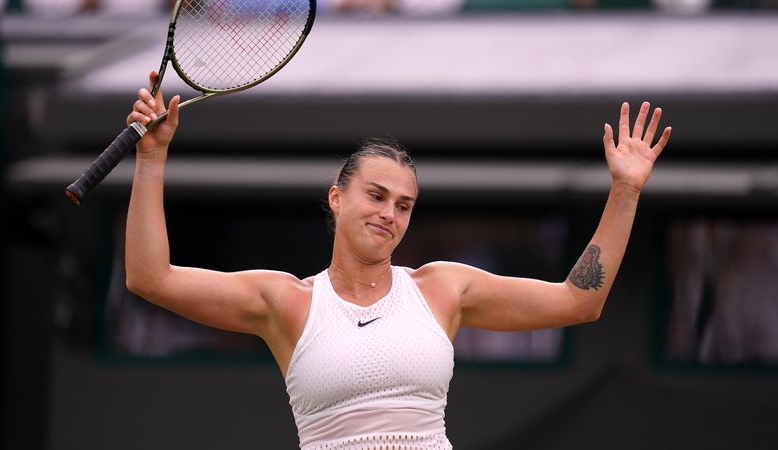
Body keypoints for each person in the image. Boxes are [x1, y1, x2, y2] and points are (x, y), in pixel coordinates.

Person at [125, 70, 671, 449]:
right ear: (337, 198)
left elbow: (581, 300)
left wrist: (625, 189)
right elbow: (151, 278)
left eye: (405, 205)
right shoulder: (285, 301)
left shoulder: (443, 289)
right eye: (377, 196)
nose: (390, 213)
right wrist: (151, 159)